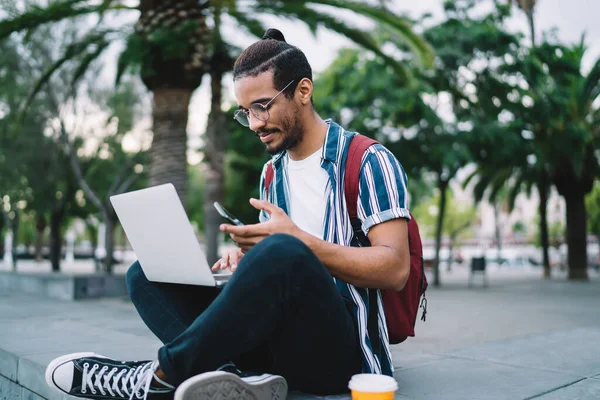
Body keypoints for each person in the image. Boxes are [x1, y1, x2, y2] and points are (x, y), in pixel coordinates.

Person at [45, 28, 411, 400]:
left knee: (285, 251)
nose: (254, 124)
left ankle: (160, 376)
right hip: (275, 348)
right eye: (245, 112)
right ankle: (227, 379)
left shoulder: (367, 160)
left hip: (342, 360)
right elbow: (281, 267)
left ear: (303, 91)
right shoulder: (273, 172)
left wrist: (297, 244)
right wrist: (250, 261)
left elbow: (396, 269)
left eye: (262, 106)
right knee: (146, 275)